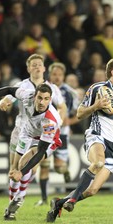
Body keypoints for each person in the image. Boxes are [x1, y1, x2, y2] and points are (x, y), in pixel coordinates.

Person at [46, 58, 113, 223]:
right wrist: (96, 106)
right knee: (99, 162)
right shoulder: (97, 88)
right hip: (95, 135)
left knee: (92, 190)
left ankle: (59, 203)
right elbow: (79, 114)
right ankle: (71, 201)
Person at [0, 83, 62, 221]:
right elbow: (8, 89)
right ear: (34, 96)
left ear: (50, 100)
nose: (42, 102)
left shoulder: (50, 121)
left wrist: (23, 171)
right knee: (13, 170)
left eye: (46, 99)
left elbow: (40, 151)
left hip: (47, 140)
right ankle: (11, 206)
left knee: (23, 165)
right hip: (26, 132)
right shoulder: (27, 95)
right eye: (39, 98)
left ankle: (21, 194)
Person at [0, 54, 67, 204]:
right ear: (28, 68)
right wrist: (3, 101)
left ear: (44, 68)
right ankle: (13, 200)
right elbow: (9, 96)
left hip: (40, 133)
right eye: (33, 65)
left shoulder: (52, 88)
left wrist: (58, 121)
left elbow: (62, 106)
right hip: (20, 130)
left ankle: (19, 197)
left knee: (31, 168)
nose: (36, 67)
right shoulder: (22, 86)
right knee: (14, 168)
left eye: (39, 64)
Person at [34, 62, 78, 206]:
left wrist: (69, 122)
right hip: (46, 132)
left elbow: (79, 113)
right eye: (54, 74)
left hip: (62, 134)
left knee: (59, 168)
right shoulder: (43, 89)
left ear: (63, 76)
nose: (57, 77)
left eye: (60, 74)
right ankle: (44, 198)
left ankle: (64, 171)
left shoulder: (71, 92)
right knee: (44, 164)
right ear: (50, 75)